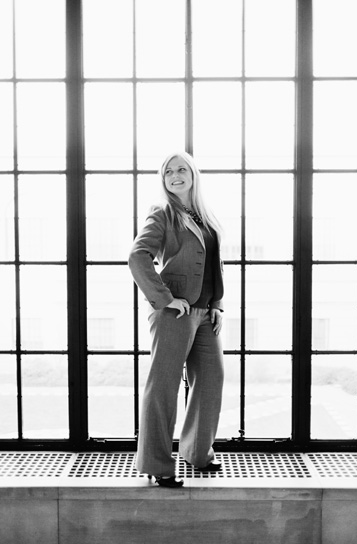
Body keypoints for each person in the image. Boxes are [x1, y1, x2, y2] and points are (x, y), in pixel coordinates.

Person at [129, 151, 225, 488]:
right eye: (168, 172)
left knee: (212, 380)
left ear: (193, 174)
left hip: (204, 313)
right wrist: (166, 299)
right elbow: (137, 257)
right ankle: (157, 463)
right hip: (175, 313)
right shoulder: (162, 214)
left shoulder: (203, 216)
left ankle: (196, 453)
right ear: (164, 180)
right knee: (164, 386)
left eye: (181, 169)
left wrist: (216, 304)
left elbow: (212, 264)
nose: (175, 175)